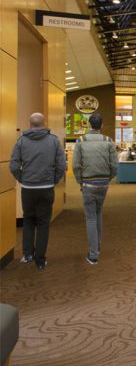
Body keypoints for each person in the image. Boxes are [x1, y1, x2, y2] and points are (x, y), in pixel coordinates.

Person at [8, 113, 67, 271]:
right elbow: (61, 165)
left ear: (29, 124)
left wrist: (22, 178)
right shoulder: (53, 141)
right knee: (43, 223)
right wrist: (54, 179)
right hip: (46, 188)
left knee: (28, 220)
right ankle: (40, 260)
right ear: (44, 123)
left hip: (28, 188)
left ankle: (27, 255)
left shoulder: (21, 141)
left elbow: (13, 165)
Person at [72, 113, 118, 265]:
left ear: (88, 124)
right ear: (102, 125)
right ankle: (97, 246)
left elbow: (75, 165)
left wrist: (80, 181)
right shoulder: (108, 141)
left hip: (88, 184)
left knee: (90, 218)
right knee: (98, 213)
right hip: (103, 183)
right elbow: (115, 165)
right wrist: (108, 178)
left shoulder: (81, 141)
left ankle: (93, 255)